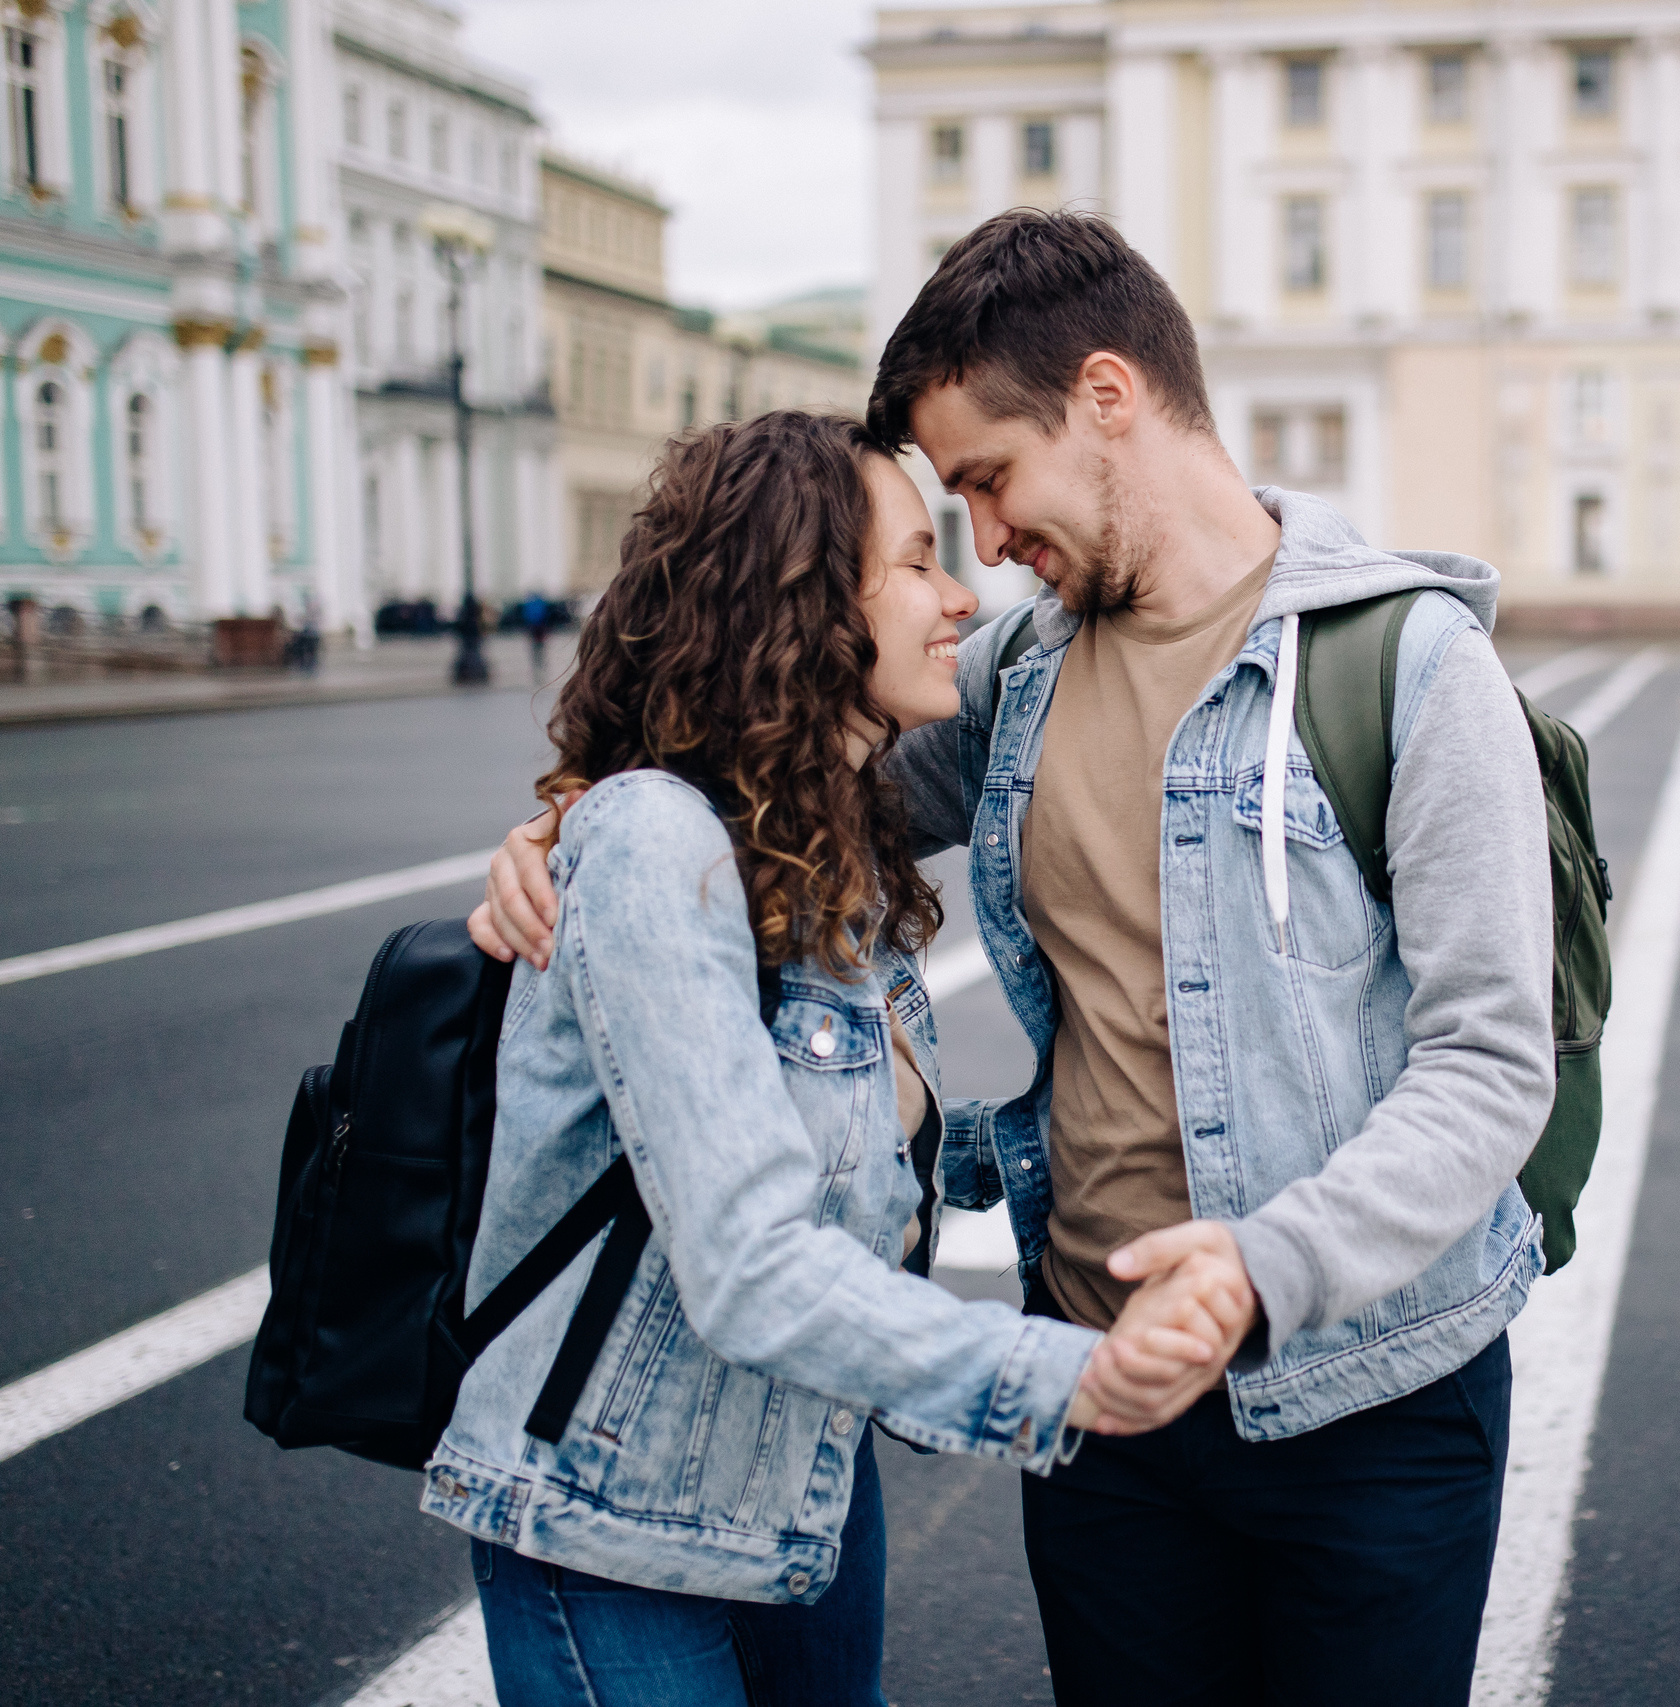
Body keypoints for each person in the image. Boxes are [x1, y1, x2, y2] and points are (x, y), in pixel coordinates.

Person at [474, 209, 1556, 1705]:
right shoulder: (1024, 670)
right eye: (946, 521)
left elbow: (1493, 1064)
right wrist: (569, 828)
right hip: (1103, 1385)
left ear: (1106, 397)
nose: (982, 549)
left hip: (1369, 1386)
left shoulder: (1413, 665)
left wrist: (1264, 1265)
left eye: (987, 479)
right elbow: (769, 779)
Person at [436, 408, 1252, 1707]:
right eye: (920, 558)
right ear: (806, 598)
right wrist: (1070, 1377)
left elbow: (860, 1153)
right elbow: (753, 1262)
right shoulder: (658, 842)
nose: (959, 593)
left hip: (801, 1490)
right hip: (613, 1513)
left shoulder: (828, 845)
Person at [520, 590, 552, 677]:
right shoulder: (541, 604)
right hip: (540, 628)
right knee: (541, 647)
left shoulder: (529, 604)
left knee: (535, 648)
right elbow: (546, 616)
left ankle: (537, 663)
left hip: (533, 628)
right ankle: (541, 663)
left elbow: (525, 616)